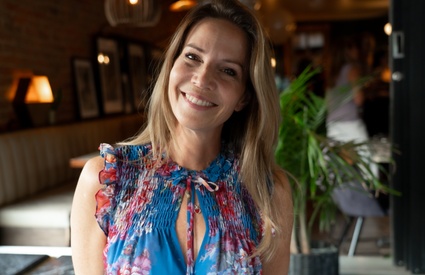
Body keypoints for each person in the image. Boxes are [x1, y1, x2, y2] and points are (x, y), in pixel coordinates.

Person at [70, 0, 293, 274]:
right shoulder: (106, 180)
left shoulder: (268, 193)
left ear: (244, 96)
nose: (202, 78)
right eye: (192, 57)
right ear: (171, 65)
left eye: (228, 71)